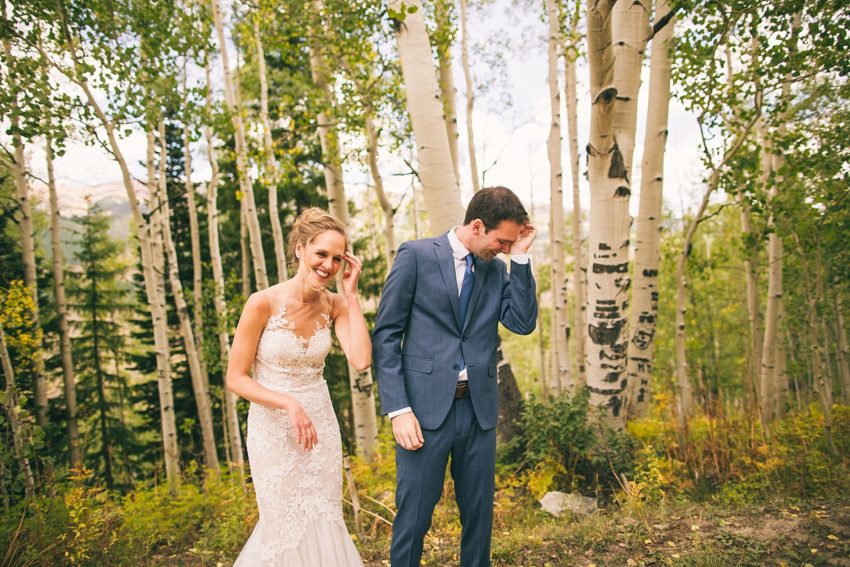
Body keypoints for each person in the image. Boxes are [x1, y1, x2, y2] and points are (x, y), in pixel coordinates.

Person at [373, 186, 538, 567]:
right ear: (477, 226)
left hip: (478, 412)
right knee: (414, 517)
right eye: (502, 241)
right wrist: (398, 409)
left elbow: (523, 322)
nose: (505, 249)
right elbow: (386, 336)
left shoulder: (497, 270)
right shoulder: (415, 256)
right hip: (422, 415)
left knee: (479, 518)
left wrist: (522, 259)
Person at [227, 208, 370, 566]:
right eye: (321, 254)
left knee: (323, 516)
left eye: (337, 259)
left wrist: (351, 295)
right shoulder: (262, 303)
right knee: (283, 523)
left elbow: (361, 358)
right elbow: (236, 378)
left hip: (320, 428)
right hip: (273, 429)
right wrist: (288, 404)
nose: (328, 265)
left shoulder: (334, 305)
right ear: (300, 250)